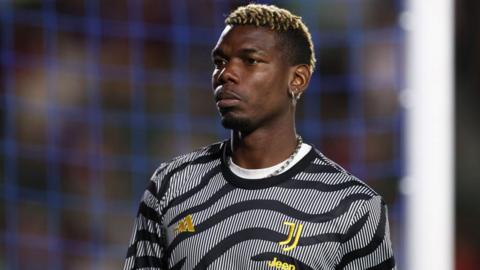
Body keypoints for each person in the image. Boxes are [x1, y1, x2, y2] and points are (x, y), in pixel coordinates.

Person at [124, 4, 395, 270]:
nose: (226, 73)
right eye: (220, 62)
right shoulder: (170, 185)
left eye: (251, 60)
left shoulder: (354, 207)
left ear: (297, 79)